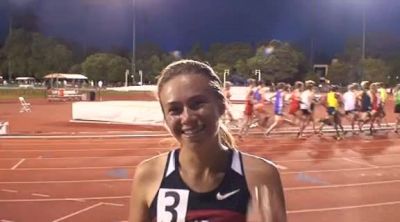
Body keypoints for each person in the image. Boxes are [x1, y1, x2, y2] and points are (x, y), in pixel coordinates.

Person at [128, 60, 286, 222]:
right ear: (165, 119)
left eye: (197, 104)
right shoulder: (148, 174)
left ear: (222, 106)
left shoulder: (260, 175)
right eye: (174, 110)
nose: (187, 118)